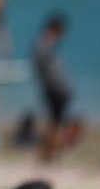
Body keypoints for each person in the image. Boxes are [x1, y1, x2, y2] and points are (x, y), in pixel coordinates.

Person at [31, 12, 75, 161]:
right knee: (55, 123)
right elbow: (42, 65)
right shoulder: (45, 43)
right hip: (55, 89)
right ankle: (49, 153)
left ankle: (52, 152)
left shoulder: (46, 44)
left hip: (58, 88)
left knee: (56, 123)